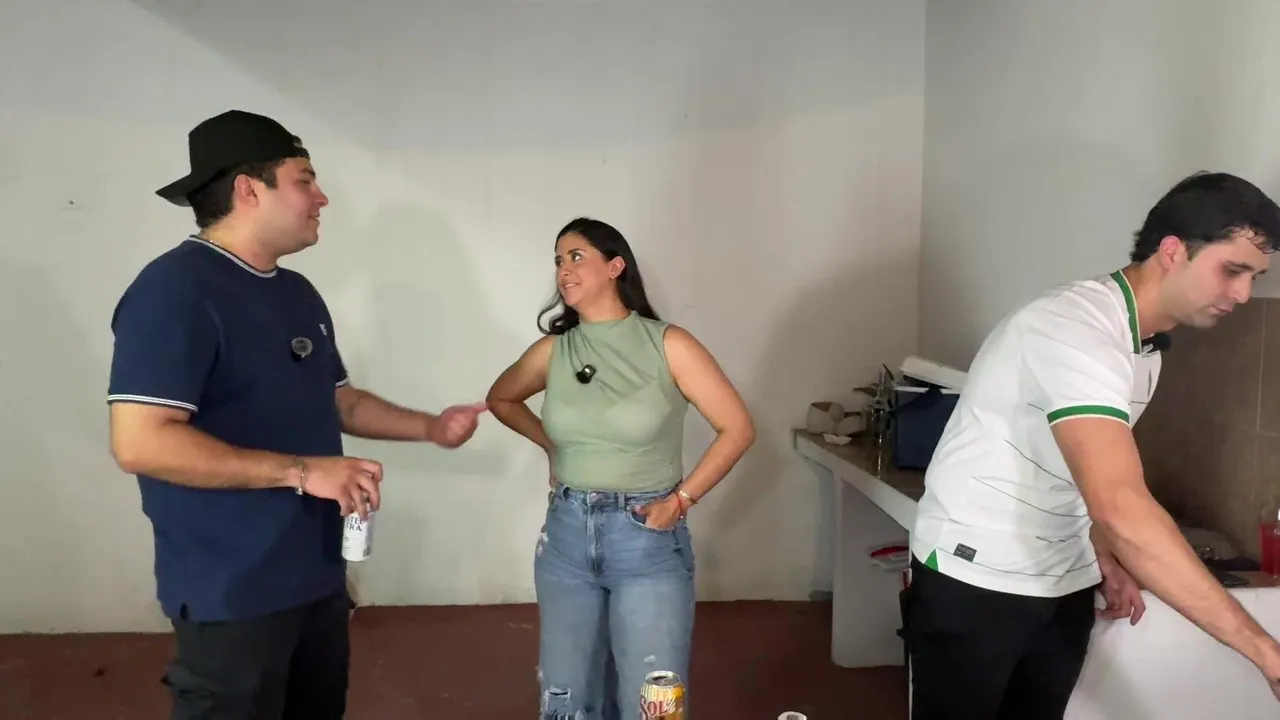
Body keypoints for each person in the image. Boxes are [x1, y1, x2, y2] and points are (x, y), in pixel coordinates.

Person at [106, 109, 488, 720]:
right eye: (305, 180)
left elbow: (339, 399)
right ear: (248, 190)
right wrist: (305, 472)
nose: (322, 197)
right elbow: (141, 443)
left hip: (314, 574)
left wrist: (432, 428)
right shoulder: (174, 291)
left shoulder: (295, 293)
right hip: (232, 589)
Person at [905, 170, 1280, 719]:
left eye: (1255, 277)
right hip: (977, 576)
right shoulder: (1073, 328)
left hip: (1064, 577)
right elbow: (1120, 503)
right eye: (1233, 270)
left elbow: (1083, 470)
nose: (1244, 295)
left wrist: (1098, 547)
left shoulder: (1143, 346)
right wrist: (1267, 653)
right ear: (1172, 251)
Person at [485, 217, 755, 718]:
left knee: (653, 702)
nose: (564, 270)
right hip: (566, 537)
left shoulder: (668, 344)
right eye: (558, 260)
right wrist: (553, 448)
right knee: (567, 698)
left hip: (646, 539)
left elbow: (737, 428)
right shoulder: (554, 350)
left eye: (576, 256)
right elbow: (501, 398)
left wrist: (682, 500)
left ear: (615, 266)